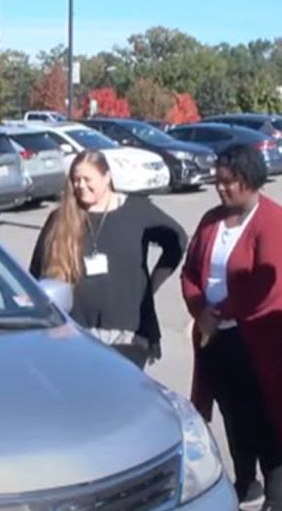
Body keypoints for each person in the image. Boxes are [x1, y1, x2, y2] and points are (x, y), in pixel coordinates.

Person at [180, 144, 282, 510]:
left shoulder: (274, 221)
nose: (221, 188)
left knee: (267, 418)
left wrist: (220, 311)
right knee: (233, 415)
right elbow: (190, 271)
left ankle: (275, 496)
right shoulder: (211, 221)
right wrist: (200, 307)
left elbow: (272, 284)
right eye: (217, 181)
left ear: (251, 180)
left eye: (230, 182)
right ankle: (245, 481)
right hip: (217, 338)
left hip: (259, 339)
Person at [29, 150, 187, 369]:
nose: (81, 186)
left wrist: (152, 285)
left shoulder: (136, 211)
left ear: (107, 177)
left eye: (87, 179)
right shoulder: (60, 219)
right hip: (76, 334)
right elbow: (37, 273)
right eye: (76, 180)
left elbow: (177, 240)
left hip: (128, 333)